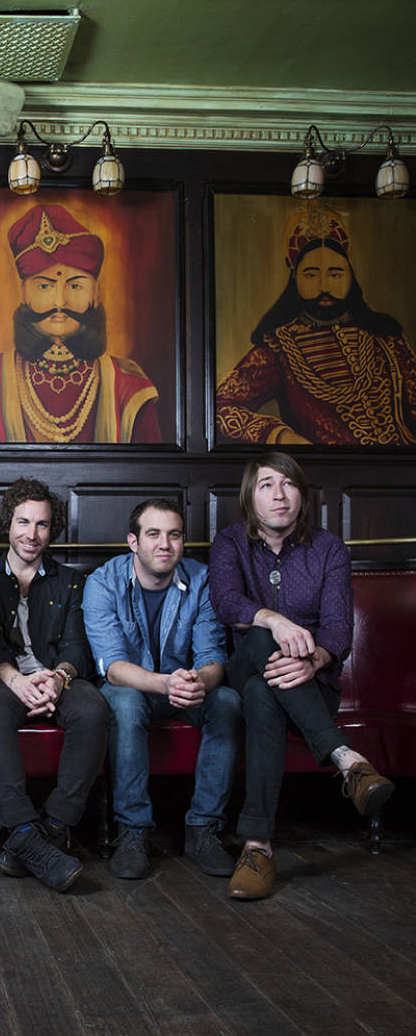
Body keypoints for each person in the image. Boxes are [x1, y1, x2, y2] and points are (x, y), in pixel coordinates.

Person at [209, 452, 394, 900]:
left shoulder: (328, 548)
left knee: (263, 692)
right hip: (245, 670)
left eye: (289, 484)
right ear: (250, 497)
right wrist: (273, 620)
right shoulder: (229, 543)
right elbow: (226, 602)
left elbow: (338, 629)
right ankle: (347, 760)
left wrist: (314, 661)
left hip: (311, 685)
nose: (279, 495)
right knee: (258, 641)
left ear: (302, 496)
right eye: (267, 485)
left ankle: (257, 847)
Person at [83, 499, 241, 881]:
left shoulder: (202, 580)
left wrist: (199, 681)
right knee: (125, 703)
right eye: (153, 534)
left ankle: (203, 829)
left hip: (182, 689)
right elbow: (113, 667)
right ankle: (133, 831)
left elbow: (212, 657)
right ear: (133, 542)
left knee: (227, 701)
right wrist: (164, 683)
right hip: (132, 689)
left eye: (174, 535)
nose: (165, 544)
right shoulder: (103, 582)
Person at [0, 478, 108, 891]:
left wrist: (58, 678)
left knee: (93, 709)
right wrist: (15, 680)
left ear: (53, 530)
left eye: (42, 524)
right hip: (3, 679)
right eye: (23, 522)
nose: (32, 534)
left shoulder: (71, 581)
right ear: (7, 525)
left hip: (57, 677)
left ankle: (53, 826)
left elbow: (77, 646)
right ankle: (20, 826)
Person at [0, 202, 160, 444]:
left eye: (75, 286)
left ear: (95, 293)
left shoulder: (129, 387)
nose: (60, 301)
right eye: (44, 286)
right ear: (24, 293)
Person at [216, 207, 416, 446]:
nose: (324, 286)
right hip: (324, 468)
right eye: (311, 275)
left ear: (350, 276)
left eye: (336, 274)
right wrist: (279, 435)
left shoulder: (385, 337)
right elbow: (220, 407)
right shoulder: (279, 348)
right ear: (295, 278)